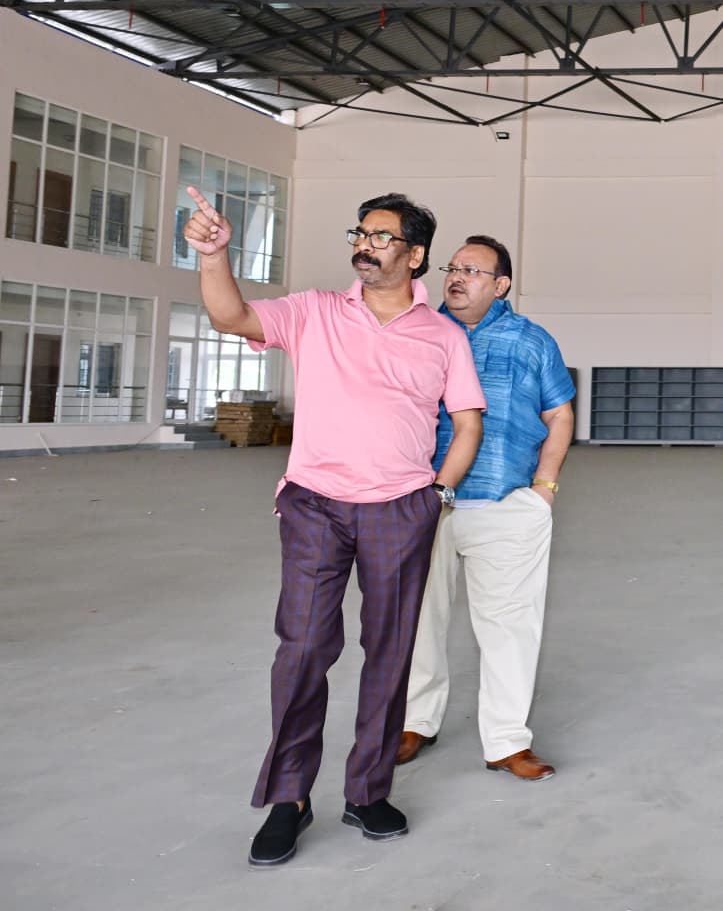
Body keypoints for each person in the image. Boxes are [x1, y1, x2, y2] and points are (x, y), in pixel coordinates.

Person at [183, 188, 485, 866]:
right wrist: (213, 255)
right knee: (301, 649)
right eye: (361, 233)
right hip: (315, 505)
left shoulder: (443, 336)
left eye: (382, 236)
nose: (366, 245)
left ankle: (367, 791)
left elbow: (467, 422)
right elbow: (230, 315)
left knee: (390, 652)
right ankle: (289, 797)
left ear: (415, 255)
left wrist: (436, 495)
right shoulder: (314, 311)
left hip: (400, 509)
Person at [397, 235, 575, 780]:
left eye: (472, 270)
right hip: (424, 502)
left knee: (509, 625)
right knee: (416, 619)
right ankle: (415, 722)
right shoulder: (420, 331)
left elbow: (560, 414)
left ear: (500, 285)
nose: (456, 277)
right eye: (453, 267)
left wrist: (544, 488)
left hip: (505, 503)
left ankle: (506, 742)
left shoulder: (531, 341)